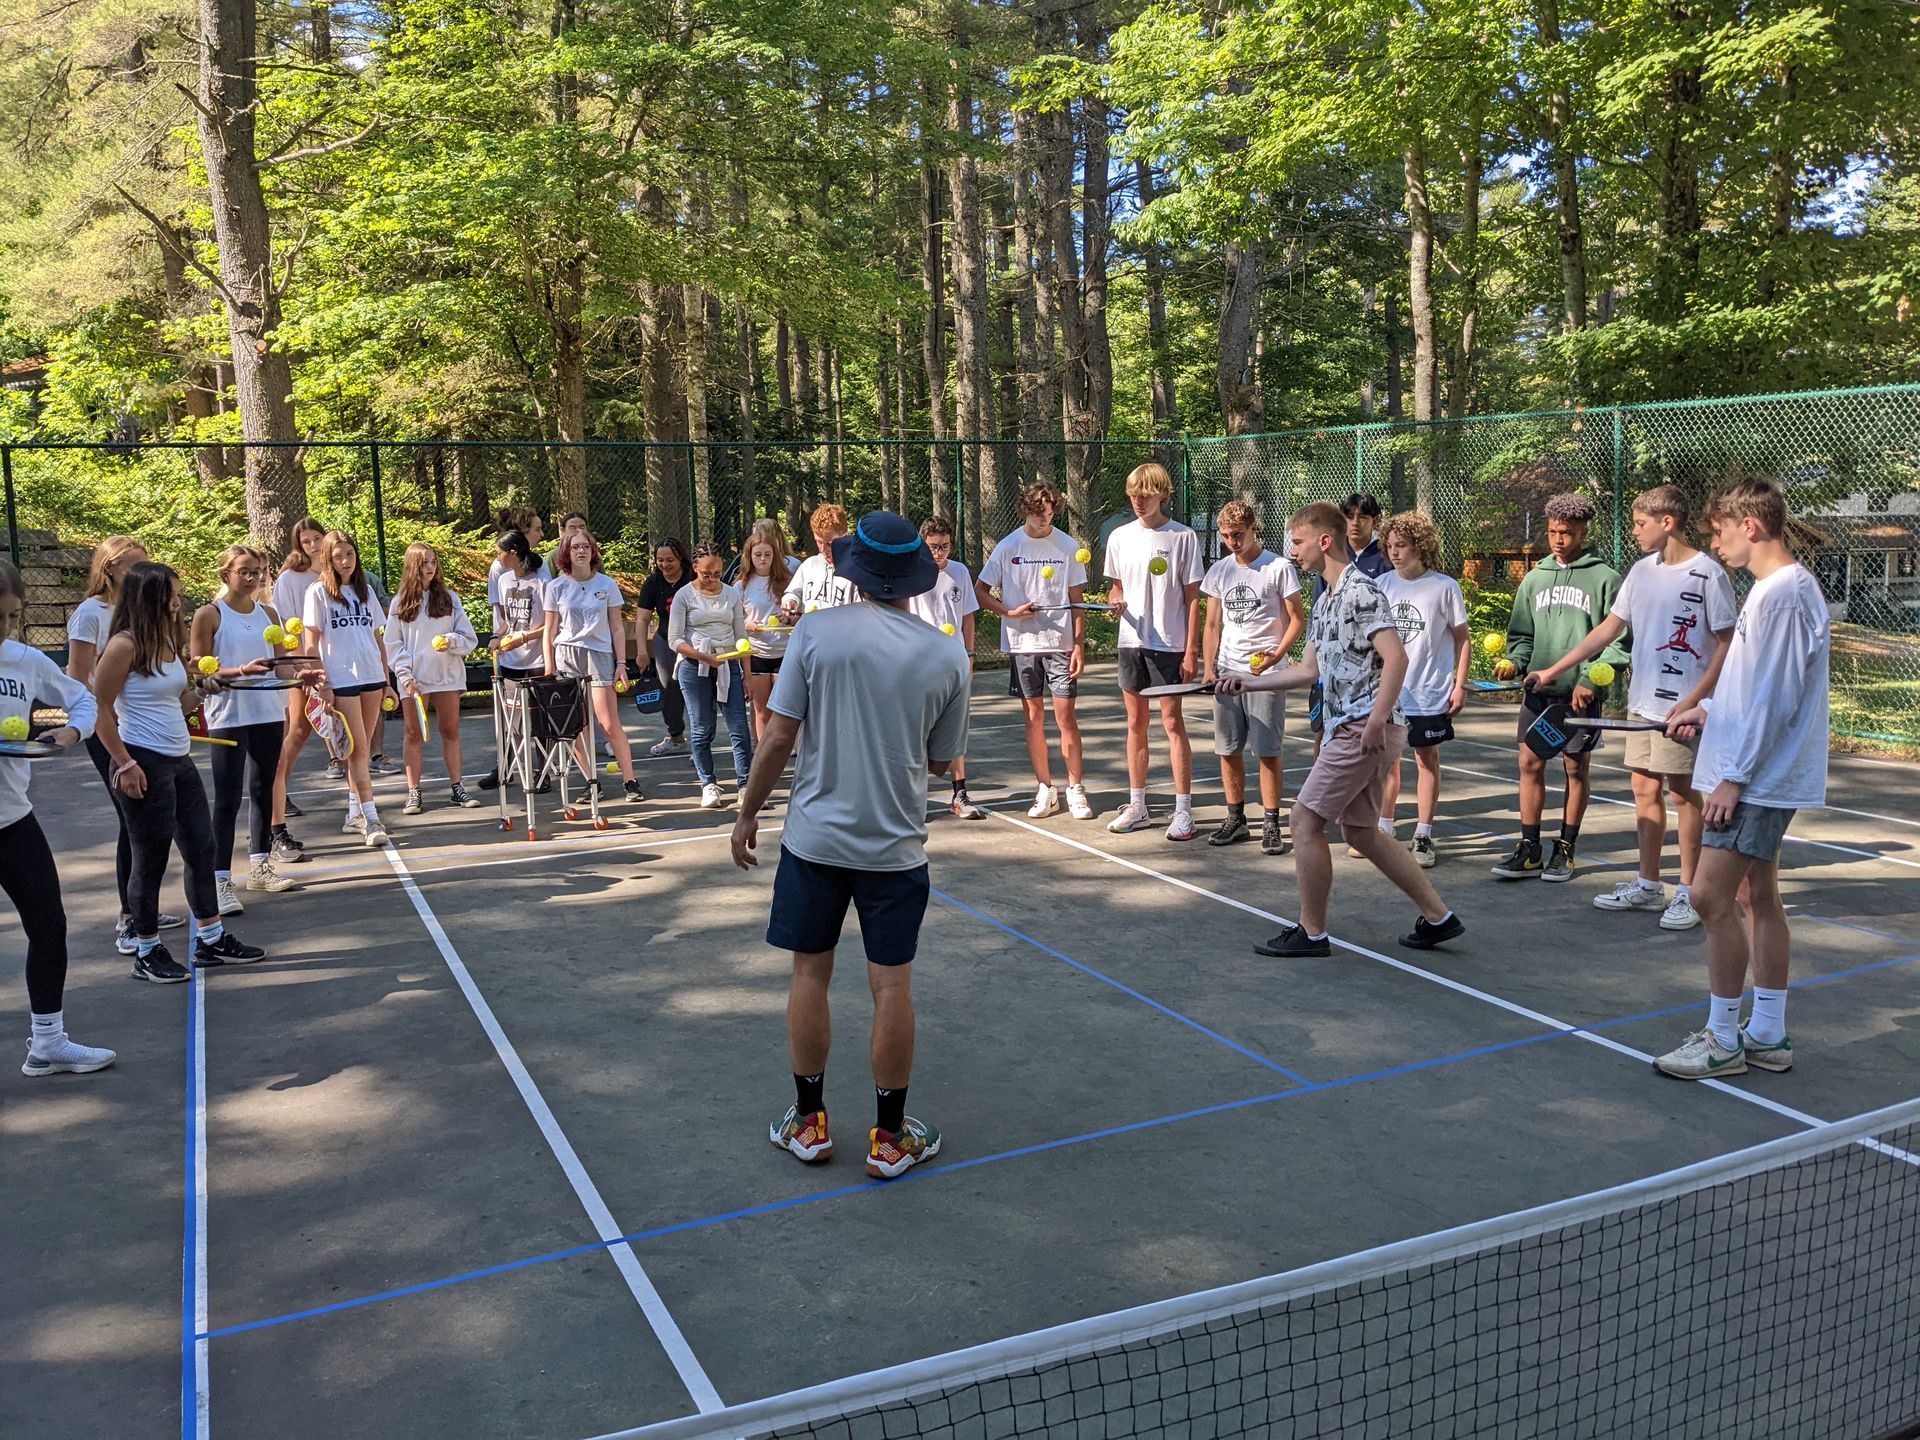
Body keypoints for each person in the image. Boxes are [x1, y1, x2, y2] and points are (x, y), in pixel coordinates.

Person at [732, 511, 969, 1181]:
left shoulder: (815, 632)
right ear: (916, 575)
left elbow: (777, 737)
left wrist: (747, 813)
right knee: (891, 984)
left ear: (852, 567)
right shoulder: (947, 653)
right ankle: (890, 1139)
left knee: (810, 972)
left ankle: (808, 1125)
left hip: (813, 842)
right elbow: (937, 762)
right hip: (895, 848)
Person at [1220, 503, 1464, 956]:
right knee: (1361, 831)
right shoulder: (1327, 598)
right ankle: (1439, 917)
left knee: (1304, 820)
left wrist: (1375, 721)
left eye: (1297, 541)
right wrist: (1249, 681)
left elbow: (1397, 657)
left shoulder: (1360, 593)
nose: (1292, 551)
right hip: (1352, 726)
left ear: (1324, 541)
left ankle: (1311, 933)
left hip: (1361, 727)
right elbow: (1309, 669)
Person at [1654, 479, 1828, 1080]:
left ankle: (1722, 1039)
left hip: (1752, 779)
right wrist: (1708, 710)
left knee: (1707, 897)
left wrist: (1733, 776)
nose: (1717, 543)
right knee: (1758, 897)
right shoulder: (1770, 591)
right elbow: (1752, 685)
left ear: (1749, 526)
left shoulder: (1782, 594)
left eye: (1720, 530)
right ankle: (1769, 1033)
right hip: (1748, 771)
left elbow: (1777, 699)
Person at [1528, 485, 1736, 929]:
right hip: (1643, 703)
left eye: (1641, 523)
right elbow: (1607, 630)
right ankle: (1648, 884)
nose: (1635, 531)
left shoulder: (1708, 574)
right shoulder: (1641, 572)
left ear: (1667, 522)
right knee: (1644, 790)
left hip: (1683, 711)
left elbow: (1726, 643)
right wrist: (1552, 670)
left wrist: (1697, 701)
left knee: (1683, 795)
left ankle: (1689, 892)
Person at [91, 561, 266, 981]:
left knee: (201, 849)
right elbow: (99, 710)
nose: (177, 600)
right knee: (149, 859)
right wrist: (125, 763)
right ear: (149, 596)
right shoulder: (123, 646)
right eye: (171, 593)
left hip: (177, 759)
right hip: (142, 759)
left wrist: (203, 692)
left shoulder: (166, 642)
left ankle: (211, 938)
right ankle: (147, 950)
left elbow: (178, 701)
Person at [1, 559, 114, 1074]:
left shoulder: (23, 660)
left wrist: (72, 731)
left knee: (49, 927)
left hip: (13, 821)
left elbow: (82, 700)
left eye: (10, 617)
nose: (4, 629)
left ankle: (48, 1042)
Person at [1489, 493, 1628, 883]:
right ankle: (1530, 848)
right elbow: (1522, 635)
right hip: (1538, 693)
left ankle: (1565, 849)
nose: (1558, 539)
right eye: (1552, 532)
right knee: (1529, 764)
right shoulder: (1534, 578)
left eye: (1566, 532)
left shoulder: (1605, 579)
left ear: (1584, 531)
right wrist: (1515, 663)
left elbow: (1617, 642)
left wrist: (1590, 678)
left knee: (1575, 768)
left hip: (1578, 695)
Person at [65, 534, 183, 953]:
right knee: (131, 821)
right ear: (109, 568)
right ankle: (130, 920)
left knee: (146, 823)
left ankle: (140, 909)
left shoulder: (143, 612)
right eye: (134, 566)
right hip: (108, 729)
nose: (141, 573)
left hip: (142, 728)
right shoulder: (90, 614)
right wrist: (109, 722)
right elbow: (79, 680)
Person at [189, 544, 300, 913]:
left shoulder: (270, 613)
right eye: (245, 571)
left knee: (264, 789)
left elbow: (282, 667)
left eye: (259, 571)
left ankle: (259, 866)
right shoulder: (210, 614)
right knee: (227, 798)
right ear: (227, 575)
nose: (254, 577)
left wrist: (303, 675)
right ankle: (221, 880)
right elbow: (199, 670)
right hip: (229, 715)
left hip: (268, 710)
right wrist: (239, 672)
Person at [976, 484, 1093, 821]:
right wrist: (1009, 613)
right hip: (1023, 645)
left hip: (1061, 644)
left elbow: (1077, 602)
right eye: (1039, 513)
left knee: (1065, 717)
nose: (1045, 519)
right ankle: (1046, 789)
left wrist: (1079, 646)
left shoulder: (1068, 546)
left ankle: (1076, 789)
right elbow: (981, 591)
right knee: (1033, 718)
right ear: (1025, 509)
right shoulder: (1008, 546)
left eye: (1050, 513)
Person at [1103, 462, 1203, 838]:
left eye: (1145, 494)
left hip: (1170, 645)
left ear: (1162, 493)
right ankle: (1138, 805)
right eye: (1132, 494)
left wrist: (1191, 649)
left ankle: (1183, 810)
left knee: (1173, 723)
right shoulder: (1119, 537)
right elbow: (1116, 587)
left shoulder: (1183, 537)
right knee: (1135, 724)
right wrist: (1116, 600)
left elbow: (1194, 598)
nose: (1138, 501)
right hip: (1131, 642)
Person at [1199, 501, 1305, 852]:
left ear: (1253, 529)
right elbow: (1212, 624)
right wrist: (1209, 666)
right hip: (1228, 671)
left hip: (1266, 674)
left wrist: (1277, 654)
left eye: (1238, 534)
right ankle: (1236, 819)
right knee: (1228, 749)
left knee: (1267, 750)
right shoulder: (1220, 571)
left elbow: (1297, 620)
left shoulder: (1278, 567)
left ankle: (1272, 822)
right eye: (1226, 535)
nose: (1232, 541)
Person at [1373, 511, 1469, 868]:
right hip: (1389, 691)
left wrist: (1459, 686)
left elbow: (1463, 640)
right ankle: (1384, 828)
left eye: (1402, 545)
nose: (1395, 552)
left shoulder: (1444, 587)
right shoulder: (1382, 584)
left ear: (1421, 546)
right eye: (1390, 545)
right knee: (1386, 760)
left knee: (1426, 759)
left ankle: (1424, 835)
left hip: (1429, 691)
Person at [302, 530, 395, 847]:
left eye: (350, 554)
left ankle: (353, 813)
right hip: (341, 681)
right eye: (338, 555)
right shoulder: (317, 593)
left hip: (371, 676)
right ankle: (371, 818)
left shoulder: (366, 591)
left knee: (364, 749)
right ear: (328, 559)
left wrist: (387, 682)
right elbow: (311, 644)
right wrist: (322, 683)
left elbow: (378, 639)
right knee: (356, 751)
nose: (345, 561)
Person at [543, 531, 643, 802]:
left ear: (592, 551)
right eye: (575, 547)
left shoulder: (607, 584)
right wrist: (550, 667)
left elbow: (617, 628)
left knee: (608, 722)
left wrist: (621, 663)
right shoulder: (555, 587)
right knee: (578, 725)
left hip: (599, 655)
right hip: (567, 656)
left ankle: (630, 781)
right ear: (566, 552)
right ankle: (591, 781)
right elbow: (549, 631)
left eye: (586, 546)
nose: (581, 551)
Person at [386, 542, 481, 815]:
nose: (429, 567)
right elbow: (393, 645)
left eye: (433, 562)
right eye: (424, 563)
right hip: (415, 679)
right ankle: (413, 792)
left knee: (450, 730)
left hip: (447, 676)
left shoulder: (449, 598)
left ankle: (457, 788)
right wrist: (405, 677)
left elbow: (468, 638)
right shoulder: (400, 602)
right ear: (412, 567)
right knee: (413, 733)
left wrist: (451, 641)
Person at [908, 515, 987, 820]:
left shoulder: (960, 572)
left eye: (943, 547)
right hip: (920, 665)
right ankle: (915, 798)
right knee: (918, 732)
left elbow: (967, 616)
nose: (938, 554)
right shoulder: (912, 574)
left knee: (954, 731)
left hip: (954, 663)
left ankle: (960, 794)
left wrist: (968, 655)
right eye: (932, 547)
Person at [668, 541, 755, 809]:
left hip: (728, 663)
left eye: (717, 573)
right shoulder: (684, 596)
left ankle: (746, 786)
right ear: (695, 568)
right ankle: (708, 784)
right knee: (702, 728)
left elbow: (742, 637)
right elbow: (674, 640)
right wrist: (702, 656)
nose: (712, 579)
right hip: (696, 666)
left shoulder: (731, 594)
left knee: (739, 728)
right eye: (706, 574)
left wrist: (747, 675)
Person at [270, 515, 329, 844]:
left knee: (344, 730)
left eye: (316, 538)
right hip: (304, 664)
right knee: (300, 728)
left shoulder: (336, 571)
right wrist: (300, 666)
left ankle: (359, 804)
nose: (313, 545)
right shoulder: (290, 579)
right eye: (305, 541)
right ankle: (279, 789)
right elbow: (287, 628)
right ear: (298, 545)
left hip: (338, 662)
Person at [480, 529, 548, 790]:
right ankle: (506, 769)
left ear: (513, 553)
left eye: (499, 553)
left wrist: (525, 638)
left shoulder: (542, 582)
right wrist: (498, 637)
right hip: (510, 662)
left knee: (538, 720)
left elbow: (550, 626)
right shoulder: (504, 580)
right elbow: (508, 622)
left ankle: (542, 773)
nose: (496, 558)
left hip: (537, 660)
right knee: (509, 721)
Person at [635, 537, 692, 757]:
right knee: (669, 689)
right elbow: (641, 620)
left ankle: (701, 741)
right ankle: (676, 736)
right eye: (660, 560)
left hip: (694, 639)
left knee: (700, 690)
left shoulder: (692, 577)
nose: (665, 564)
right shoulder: (653, 582)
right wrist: (642, 652)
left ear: (680, 558)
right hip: (665, 639)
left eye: (670, 560)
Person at [738, 519, 793, 740]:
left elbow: (797, 614)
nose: (762, 559)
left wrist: (788, 617)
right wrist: (746, 625)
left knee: (784, 709)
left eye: (767, 554)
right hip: (756, 653)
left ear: (774, 555)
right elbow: (734, 621)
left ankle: (790, 753)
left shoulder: (788, 581)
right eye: (758, 554)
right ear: (749, 556)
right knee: (761, 710)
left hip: (784, 652)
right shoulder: (740, 585)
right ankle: (762, 752)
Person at [781, 503, 862, 616]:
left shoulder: (856, 570)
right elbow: (793, 593)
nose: (823, 549)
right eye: (819, 542)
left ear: (845, 536)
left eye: (830, 543)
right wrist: (790, 601)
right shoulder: (809, 566)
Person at [486, 506, 551, 587]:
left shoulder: (539, 562)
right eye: (537, 529)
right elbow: (495, 599)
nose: (542, 534)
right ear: (522, 532)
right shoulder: (500, 566)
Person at [1341, 494, 1391, 579]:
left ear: (1375, 522)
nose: (1355, 523)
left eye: (1362, 517)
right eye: (1349, 517)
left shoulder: (1386, 556)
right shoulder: (1333, 554)